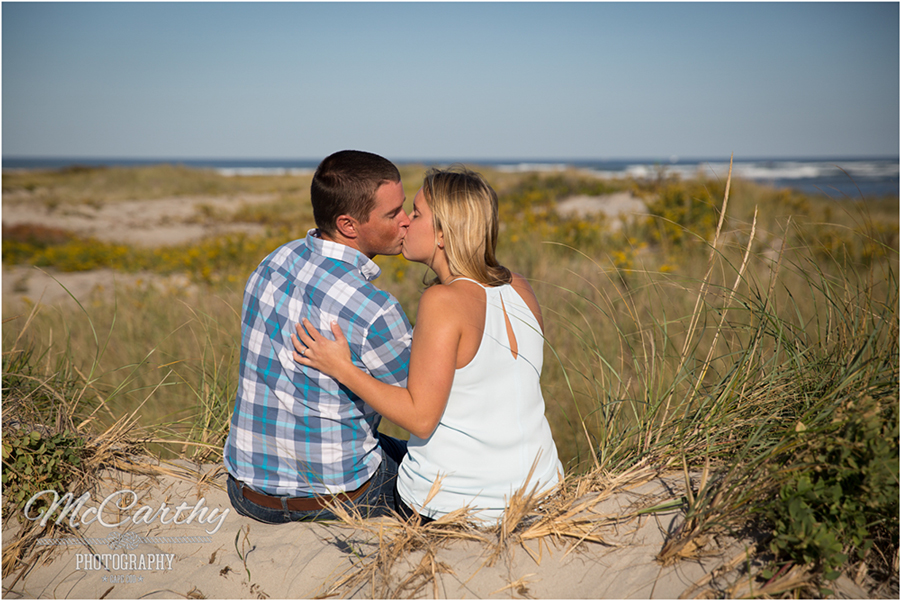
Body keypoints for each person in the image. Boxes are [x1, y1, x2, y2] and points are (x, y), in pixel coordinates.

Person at [292, 166, 563, 525]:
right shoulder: (518, 285)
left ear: (442, 235)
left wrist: (342, 368)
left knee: (363, 454)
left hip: (459, 504)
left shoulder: (442, 301)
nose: (404, 222)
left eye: (416, 213)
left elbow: (419, 419)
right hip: (540, 488)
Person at [223, 150, 414, 524]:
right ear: (348, 225)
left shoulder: (273, 261)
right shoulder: (374, 309)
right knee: (447, 462)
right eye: (393, 214)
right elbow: (424, 406)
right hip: (339, 497)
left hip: (247, 490)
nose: (406, 221)